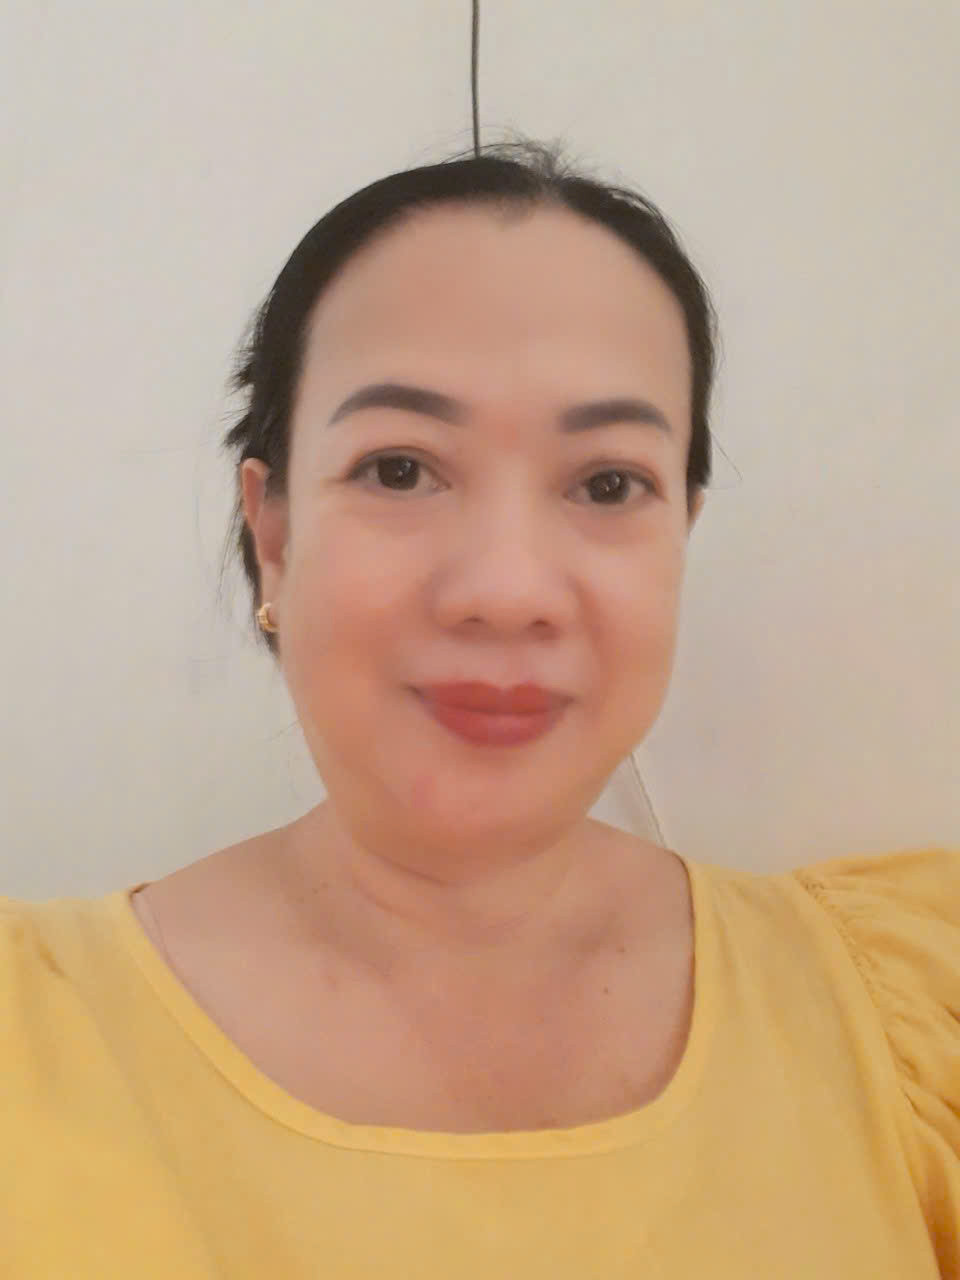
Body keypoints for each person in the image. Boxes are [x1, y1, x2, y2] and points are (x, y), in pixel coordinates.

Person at [1, 137, 957, 1279]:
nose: (507, 590)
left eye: (609, 483)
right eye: (400, 469)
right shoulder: (30, 1037)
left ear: (681, 536)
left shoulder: (907, 1016)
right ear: (276, 533)